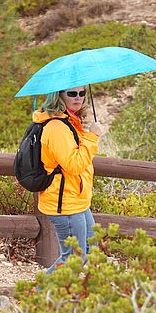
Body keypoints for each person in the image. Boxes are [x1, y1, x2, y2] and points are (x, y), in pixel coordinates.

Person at [32, 86, 103, 274]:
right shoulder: (57, 128)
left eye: (82, 93)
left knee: (89, 250)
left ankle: (62, 297)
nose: (78, 98)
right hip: (65, 204)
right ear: (58, 95)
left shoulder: (70, 122)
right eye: (72, 93)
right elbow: (74, 165)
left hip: (76, 199)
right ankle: (40, 298)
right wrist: (93, 137)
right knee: (74, 258)